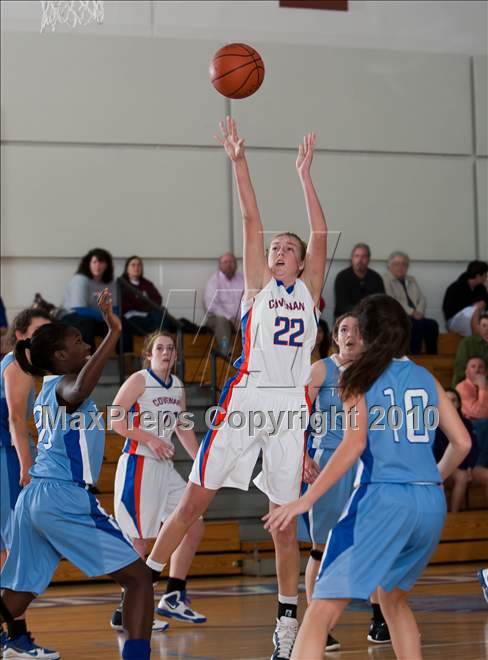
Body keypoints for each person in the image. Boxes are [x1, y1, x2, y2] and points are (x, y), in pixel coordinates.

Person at [146, 117, 327, 660]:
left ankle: (287, 621)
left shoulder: (309, 291)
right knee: (193, 502)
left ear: (301, 262)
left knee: (283, 526)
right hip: (246, 400)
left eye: (288, 248)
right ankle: (143, 584)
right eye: (276, 247)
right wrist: (239, 162)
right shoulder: (257, 287)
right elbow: (251, 218)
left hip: (289, 411)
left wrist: (305, 176)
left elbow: (320, 234)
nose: (279, 250)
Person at [264, 294, 471, 660]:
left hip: (382, 499)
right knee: (393, 599)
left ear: (364, 334)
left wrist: (306, 499)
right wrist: (433, 478)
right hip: (429, 505)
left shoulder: (358, 377)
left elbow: (353, 444)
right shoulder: (425, 376)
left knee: (320, 611)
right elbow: (463, 443)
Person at [0, 290, 154, 660]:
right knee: (138, 578)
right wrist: (114, 332)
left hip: (35, 497)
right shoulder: (64, 386)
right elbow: (82, 386)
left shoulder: (48, 390)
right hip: (61, 496)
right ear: (59, 356)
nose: (85, 345)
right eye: (78, 341)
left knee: (19, 591)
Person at [299, 313, 388, 651]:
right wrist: (302, 455)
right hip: (330, 463)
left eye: (357, 330)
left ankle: (379, 618)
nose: (351, 335)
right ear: (335, 337)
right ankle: (317, 627)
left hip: (367, 464)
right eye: (344, 329)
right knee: (321, 548)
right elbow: (296, 414)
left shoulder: (374, 371)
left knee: (374, 542)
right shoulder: (321, 370)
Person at [111, 331, 206, 630]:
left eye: (171, 349)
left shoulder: (176, 386)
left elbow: (182, 426)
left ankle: (173, 595)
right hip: (139, 464)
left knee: (193, 524)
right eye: (160, 348)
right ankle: (128, 610)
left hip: (165, 468)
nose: (166, 353)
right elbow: (115, 420)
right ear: (149, 355)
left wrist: (201, 462)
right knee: (139, 541)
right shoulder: (139, 380)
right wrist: (150, 438)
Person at [0, 308, 56, 659]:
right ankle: (16, 638)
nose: (45, 336)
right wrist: (26, 464)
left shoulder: (23, 365)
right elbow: (15, 419)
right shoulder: (17, 364)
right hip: (7, 458)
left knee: (7, 553)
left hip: (7, 455)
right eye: (38, 330)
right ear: (20, 334)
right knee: (16, 552)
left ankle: (10, 636)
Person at [433, 389, 483, 512]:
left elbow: (474, 449)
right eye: (447, 400)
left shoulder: (467, 423)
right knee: (461, 476)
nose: (450, 403)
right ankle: (453, 517)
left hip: (468, 466)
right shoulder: (434, 424)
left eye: (454, 400)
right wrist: (463, 467)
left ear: (459, 403)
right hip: (445, 466)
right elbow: (437, 453)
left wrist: (469, 467)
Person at [60, 248, 117, 351]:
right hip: (72, 316)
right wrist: (105, 316)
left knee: (117, 324)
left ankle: (125, 356)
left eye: (101, 262)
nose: (98, 266)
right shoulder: (80, 280)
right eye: (94, 262)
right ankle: (89, 356)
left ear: (107, 265)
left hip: (98, 318)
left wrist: (110, 317)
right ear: (88, 264)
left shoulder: (110, 283)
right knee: (87, 323)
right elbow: (79, 309)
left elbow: (115, 308)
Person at [383, 251, 438, 354]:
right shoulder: (385, 280)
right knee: (416, 325)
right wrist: (412, 312)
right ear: (390, 266)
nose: (400, 267)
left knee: (432, 324)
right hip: (398, 317)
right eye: (397, 264)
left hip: (416, 316)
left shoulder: (411, 279)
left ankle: (433, 357)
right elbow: (392, 301)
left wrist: (419, 312)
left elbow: (422, 298)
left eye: (404, 264)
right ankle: (414, 356)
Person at [118, 255, 177, 351]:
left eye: (139, 265)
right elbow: (126, 305)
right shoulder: (121, 283)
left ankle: (161, 345)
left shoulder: (147, 283)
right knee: (162, 320)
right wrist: (145, 303)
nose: (136, 267)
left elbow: (158, 299)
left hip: (149, 316)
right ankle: (161, 346)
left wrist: (140, 302)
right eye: (133, 265)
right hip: (132, 318)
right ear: (127, 268)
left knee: (162, 313)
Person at [203, 252, 244, 354]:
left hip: (240, 319)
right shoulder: (214, 281)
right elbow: (211, 306)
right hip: (218, 319)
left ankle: (253, 353)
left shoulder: (243, 279)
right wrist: (231, 318)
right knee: (221, 320)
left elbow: (250, 300)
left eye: (231, 262)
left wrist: (241, 318)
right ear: (220, 265)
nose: (229, 265)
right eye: (225, 262)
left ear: (236, 265)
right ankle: (226, 351)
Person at [334, 243, 385, 318]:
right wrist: (361, 314)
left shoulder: (376, 277)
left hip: (371, 317)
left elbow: (381, 302)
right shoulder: (342, 277)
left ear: (369, 259)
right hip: (347, 317)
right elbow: (343, 305)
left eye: (364, 256)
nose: (360, 260)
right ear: (352, 258)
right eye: (357, 256)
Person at [442, 261, 488, 336]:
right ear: (478, 276)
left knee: (480, 308)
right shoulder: (455, 288)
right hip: (454, 320)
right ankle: (477, 339)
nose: (486, 278)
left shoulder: (481, 288)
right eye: (485, 275)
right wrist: (474, 306)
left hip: (474, 318)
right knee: (475, 309)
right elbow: (449, 310)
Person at [452, 313, 488, 386]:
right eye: (484, 326)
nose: (487, 329)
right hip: (466, 383)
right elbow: (460, 369)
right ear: (478, 327)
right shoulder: (467, 343)